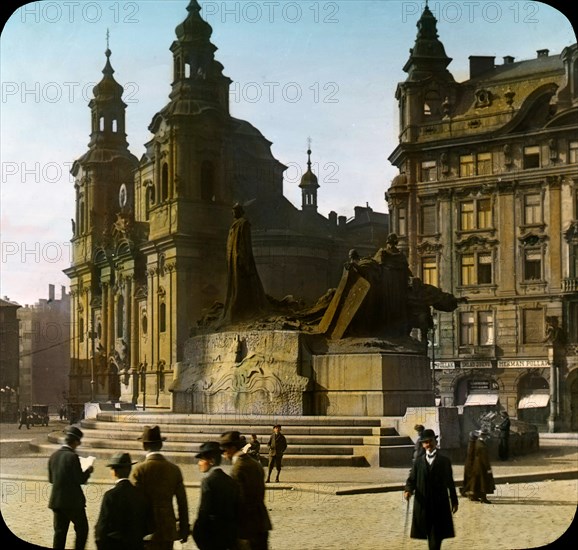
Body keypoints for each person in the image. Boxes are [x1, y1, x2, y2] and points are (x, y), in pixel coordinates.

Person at [131, 426, 189, 550]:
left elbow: (135, 503)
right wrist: (184, 529)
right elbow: (182, 502)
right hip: (168, 528)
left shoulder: (139, 470)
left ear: (144, 446)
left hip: (146, 529)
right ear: (161, 446)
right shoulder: (174, 469)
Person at [404, 428, 458, 550]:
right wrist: (408, 490)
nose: (429, 444)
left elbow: (450, 482)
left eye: (431, 441)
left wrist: (454, 501)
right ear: (423, 445)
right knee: (427, 532)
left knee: (436, 536)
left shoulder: (444, 461)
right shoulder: (418, 462)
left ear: (435, 442)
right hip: (423, 504)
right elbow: (411, 479)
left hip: (439, 503)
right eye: (426, 442)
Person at [220, 430, 272, 549]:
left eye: (224, 450)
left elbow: (241, 503)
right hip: (262, 523)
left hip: (247, 529)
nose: (223, 454)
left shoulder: (238, 469)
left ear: (232, 448)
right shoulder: (255, 464)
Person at [48, 425, 94, 550]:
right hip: (73, 502)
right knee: (82, 530)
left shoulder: (54, 456)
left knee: (59, 533)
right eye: (77, 443)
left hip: (57, 501)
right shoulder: (72, 457)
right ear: (75, 442)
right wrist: (88, 470)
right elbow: (81, 479)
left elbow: (51, 479)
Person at [222, 203, 268, 323]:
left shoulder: (243, 223)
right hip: (233, 259)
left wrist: (243, 258)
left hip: (239, 258)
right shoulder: (235, 225)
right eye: (232, 211)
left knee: (241, 286)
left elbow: (245, 242)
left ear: (239, 211)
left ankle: (240, 311)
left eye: (234, 210)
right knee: (236, 286)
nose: (232, 213)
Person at [95, 452, 148, 550]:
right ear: (130, 469)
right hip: (135, 544)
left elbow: (102, 526)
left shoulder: (110, 495)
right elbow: (148, 524)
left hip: (114, 544)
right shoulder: (140, 494)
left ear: (114, 472)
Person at [192, 441, 239, 550]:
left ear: (212, 461)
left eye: (202, 459)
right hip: (228, 536)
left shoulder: (208, 481)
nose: (199, 463)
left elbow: (203, 512)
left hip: (211, 536)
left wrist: (198, 534)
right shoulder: (230, 481)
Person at [467, 429, 495, 504]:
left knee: (476, 481)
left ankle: (473, 496)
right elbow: (485, 458)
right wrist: (488, 468)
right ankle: (483, 498)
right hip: (482, 466)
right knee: (483, 482)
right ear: (484, 436)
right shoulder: (482, 445)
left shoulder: (476, 442)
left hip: (476, 465)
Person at [460, 431, 478, 497]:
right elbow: (471, 455)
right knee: (471, 480)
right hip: (470, 464)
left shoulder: (471, 443)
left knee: (469, 480)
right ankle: (465, 491)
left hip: (469, 464)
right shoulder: (472, 444)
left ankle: (465, 491)